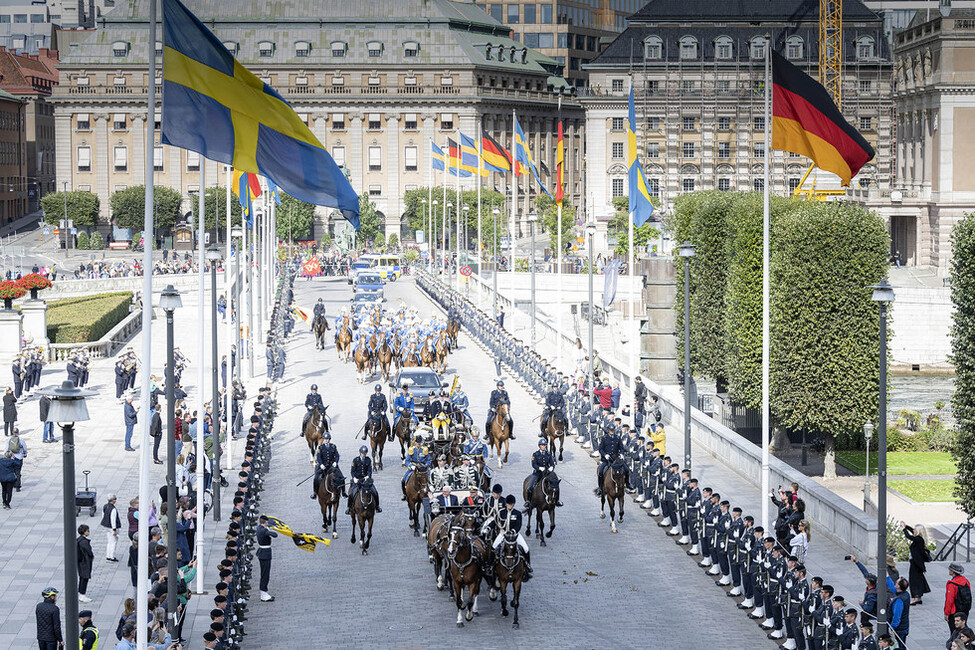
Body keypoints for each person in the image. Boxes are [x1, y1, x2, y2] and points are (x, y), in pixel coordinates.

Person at [493, 495, 531, 580]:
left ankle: (528, 567)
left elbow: (519, 524)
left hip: (514, 535)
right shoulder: (501, 512)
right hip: (504, 534)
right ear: (506, 504)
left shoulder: (517, 513)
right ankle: (491, 566)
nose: (510, 506)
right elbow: (496, 521)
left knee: (526, 548)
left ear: (513, 504)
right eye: (508, 504)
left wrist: (513, 531)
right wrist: (488, 527)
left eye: (511, 504)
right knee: (494, 547)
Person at [900, 522, 931, 605]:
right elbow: (911, 531)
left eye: (915, 529)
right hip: (918, 564)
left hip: (915, 563)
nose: (913, 530)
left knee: (913, 580)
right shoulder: (920, 539)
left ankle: (913, 598)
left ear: (919, 531)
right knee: (919, 580)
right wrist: (906, 526)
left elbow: (908, 536)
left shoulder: (919, 539)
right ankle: (919, 597)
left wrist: (903, 529)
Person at [524, 439, 559, 511]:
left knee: (555, 485)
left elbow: (552, 463)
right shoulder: (535, 454)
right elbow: (533, 464)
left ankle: (557, 501)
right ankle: (528, 501)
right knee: (530, 486)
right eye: (542, 445)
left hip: (546, 473)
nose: (544, 446)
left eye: (545, 445)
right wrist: (539, 468)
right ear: (539, 446)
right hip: (538, 473)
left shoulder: (549, 454)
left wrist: (551, 467)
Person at [347, 445, 381, 514]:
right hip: (358, 480)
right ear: (360, 453)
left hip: (366, 480)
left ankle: (377, 506)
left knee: (375, 492)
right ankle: (349, 508)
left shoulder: (368, 460)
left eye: (365, 453)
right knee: (352, 493)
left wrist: (368, 476)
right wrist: (354, 478)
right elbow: (352, 471)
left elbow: (369, 470)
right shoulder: (355, 460)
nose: (363, 455)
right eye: (362, 453)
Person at [594, 426, 627, 497]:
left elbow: (621, 448)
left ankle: (627, 484)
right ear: (608, 430)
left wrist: (621, 454)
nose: (612, 431)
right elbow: (601, 449)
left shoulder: (618, 438)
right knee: (600, 472)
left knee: (626, 469)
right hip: (607, 459)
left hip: (616, 459)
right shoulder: (604, 438)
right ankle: (600, 488)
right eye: (611, 430)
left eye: (613, 430)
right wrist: (605, 455)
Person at [256, 515, 277, 602]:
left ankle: (264, 592)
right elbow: (275, 535)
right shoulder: (264, 530)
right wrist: (270, 529)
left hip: (262, 552)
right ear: (265, 522)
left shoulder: (259, 527)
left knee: (264, 573)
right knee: (265, 574)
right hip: (265, 553)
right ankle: (263, 593)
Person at [946, 563, 972, 633]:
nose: (949, 570)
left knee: (954, 631)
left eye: (950, 569)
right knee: (963, 629)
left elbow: (949, 600)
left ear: (953, 571)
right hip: (965, 610)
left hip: (955, 611)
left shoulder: (952, 584)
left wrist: (947, 613)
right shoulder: (966, 581)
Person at [889, 576, 911, 644]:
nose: (895, 583)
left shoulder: (899, 600)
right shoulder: (906, 594)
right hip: (904, 627)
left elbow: (896, 617)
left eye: (896, 582)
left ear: (898, 586)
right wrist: (887, 577)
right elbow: (893, 588)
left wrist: (891, 628)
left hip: (899, 630)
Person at [101, 494, 122, 562]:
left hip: (107, 526)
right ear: (113, 500)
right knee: (114, 542)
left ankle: (108, 555)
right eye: (115, 499)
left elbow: (103, 515)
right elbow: (113, 519)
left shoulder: (105, 506)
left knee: (109, 541)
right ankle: (112, 556)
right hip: (112, 527)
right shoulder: (113, 509)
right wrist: (114, 529)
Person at [77, 524, 94, 603]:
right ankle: (82, 594)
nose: (89, 532)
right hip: (85, 562)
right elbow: (89, 552)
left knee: (82, 578)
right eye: (88, 531)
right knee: (85, 578)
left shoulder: (79, 540)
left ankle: (80, 593)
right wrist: (92, 556)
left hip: (81, 562)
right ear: (84, 532)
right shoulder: (84, 542)